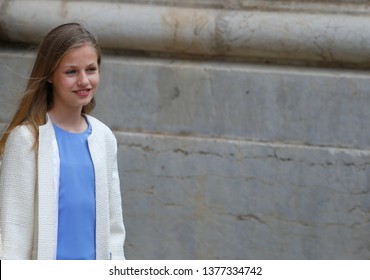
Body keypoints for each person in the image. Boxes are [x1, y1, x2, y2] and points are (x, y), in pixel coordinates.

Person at [0, 23, 125, 260]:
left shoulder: (104, 137)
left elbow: (113, 226)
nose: (84, 81)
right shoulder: (27, 140)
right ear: (49, 75)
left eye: (91, 69)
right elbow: (12, 233)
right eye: (71, 72)